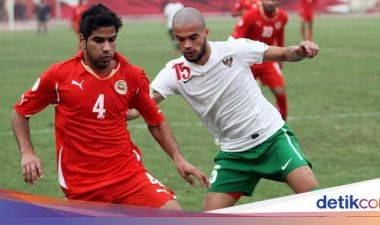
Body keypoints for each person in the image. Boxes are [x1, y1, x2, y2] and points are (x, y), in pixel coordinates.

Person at [12, 4, 209, 210]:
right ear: (82, 40)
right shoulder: (59, 75)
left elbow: (155, 120)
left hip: (128, 176)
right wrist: (28, 152)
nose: (107, 47)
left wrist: (179, 159)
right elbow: (20, 113)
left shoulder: (132, 75)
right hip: (82, 186)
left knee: (173, 213)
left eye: (112, 39)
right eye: (98, 40)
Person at [128, 7, 319, 211]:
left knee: (314, 199)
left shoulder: (235, 50)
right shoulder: (175, 72)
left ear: (206, 33)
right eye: (180, 39)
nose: (187, 45)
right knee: (211, 215)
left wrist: (301, 50)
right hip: (234, 154)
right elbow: (140, 107)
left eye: (193, 37)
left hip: (272, 139)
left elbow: (285, 53)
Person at [231, 0, 289, 120]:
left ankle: (282, 125)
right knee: (239, 98)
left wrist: (281, 59)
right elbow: (236, 38)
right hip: (249, 62)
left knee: (281, 93)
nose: (270, 3)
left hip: (268, 61)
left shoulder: (283, 17)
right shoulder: (250, 15)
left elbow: (280, 37)